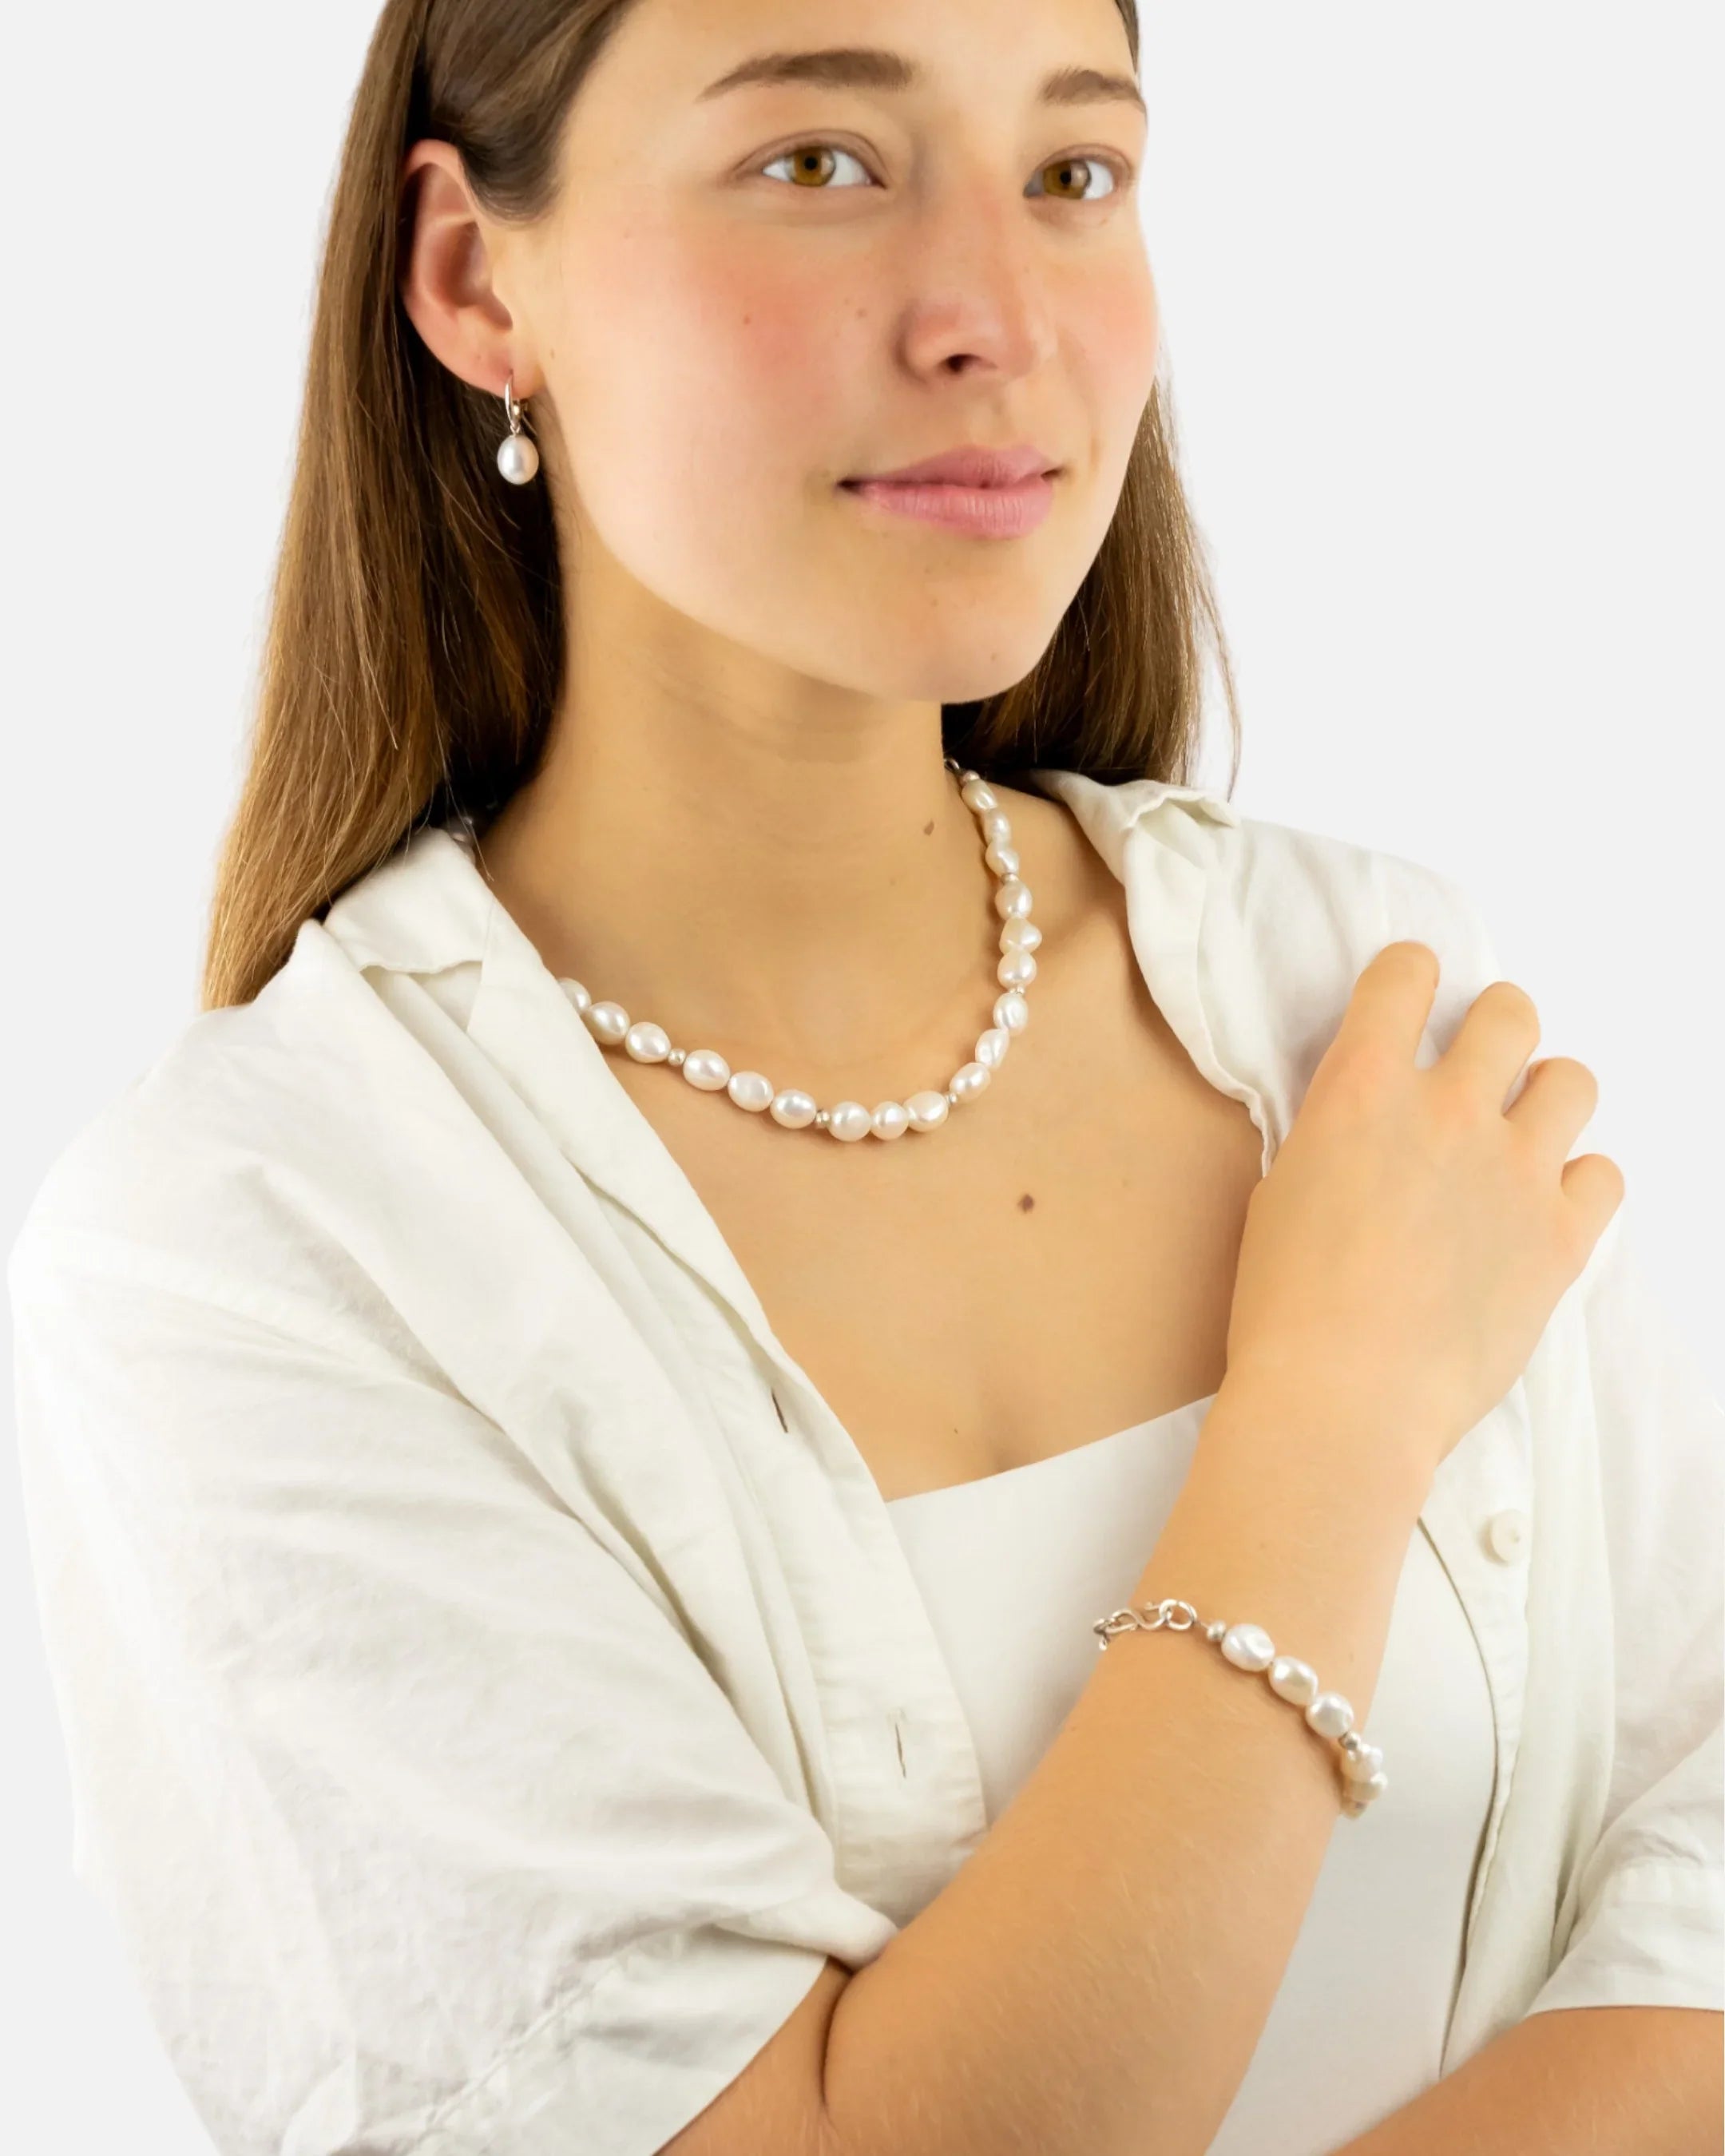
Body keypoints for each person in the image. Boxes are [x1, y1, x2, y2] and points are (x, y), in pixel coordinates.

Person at [8, 2, 1721, 2154]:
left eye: (1074, 172)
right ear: (470, 277)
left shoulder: (1358, 993)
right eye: (820, 163)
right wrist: (1328, 1418)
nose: (995, 316)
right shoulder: (254, 1247)